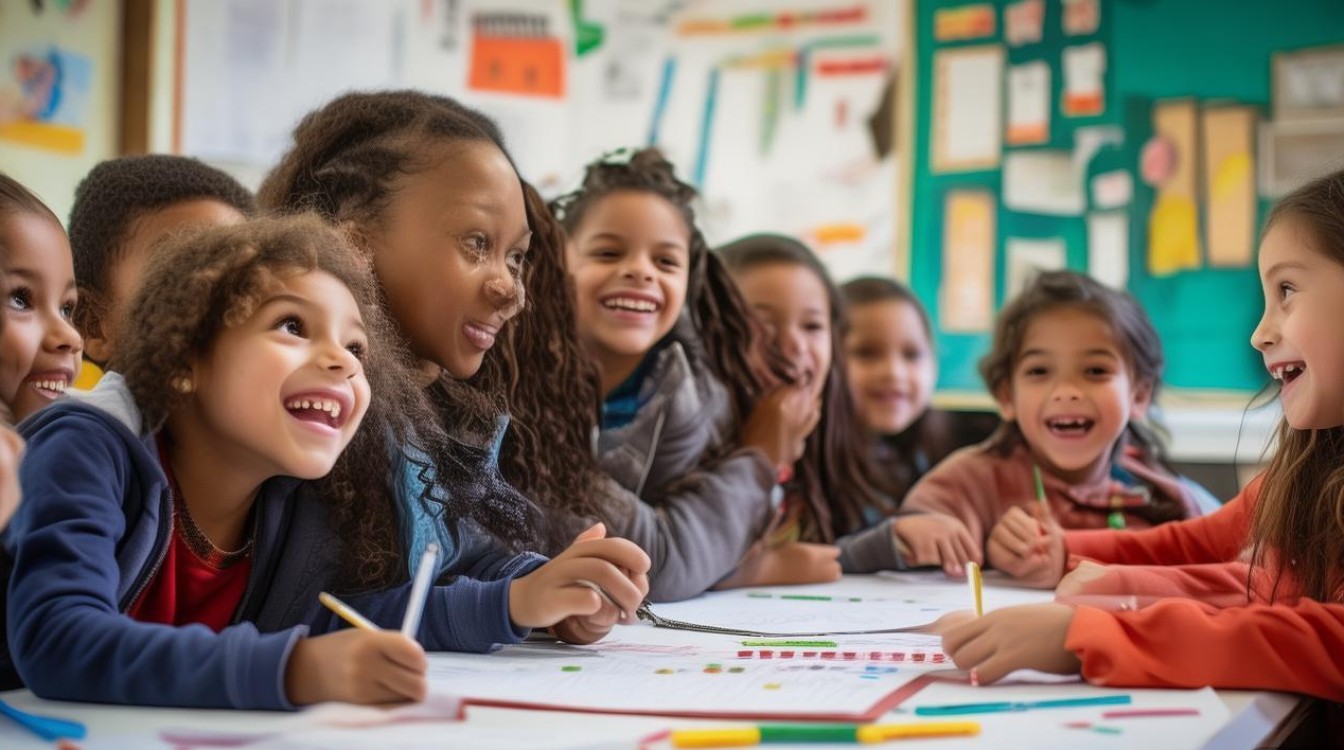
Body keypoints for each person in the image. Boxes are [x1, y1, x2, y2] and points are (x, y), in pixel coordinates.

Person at [942, 169, 1344, 702]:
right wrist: (1065, 553)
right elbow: (1198, 546)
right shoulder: (1308, 469)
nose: (1259, 333)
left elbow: (1323, 641)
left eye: (1287, 290)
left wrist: (1091, 636)